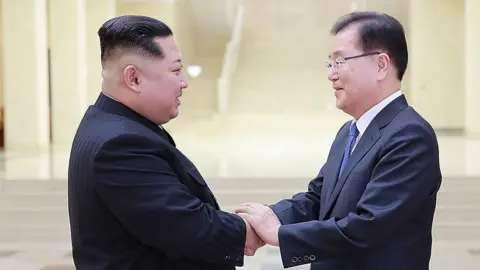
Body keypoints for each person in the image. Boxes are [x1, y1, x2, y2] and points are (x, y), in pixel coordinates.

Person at [235, 11, 442, 270]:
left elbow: (369, 226)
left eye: (340, 61)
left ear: (380, 65)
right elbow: (318, 199)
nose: (331, 75)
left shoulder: (410, 135)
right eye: (330, 63)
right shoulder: (350, 131)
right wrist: (265, 219)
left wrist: (279, 234)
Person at [67, 15, 263, 270]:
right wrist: (253, 229)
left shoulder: (112, 124)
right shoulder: (120, 145)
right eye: (175, 70)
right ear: (134, 78)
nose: (184, 83)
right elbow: (190, 228)